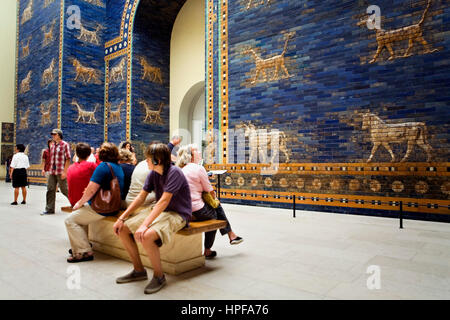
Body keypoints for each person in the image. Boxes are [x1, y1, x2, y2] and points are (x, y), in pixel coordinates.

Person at [113, 143, 192, 294]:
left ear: (157, 160)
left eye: (149, 159)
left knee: (147, 235)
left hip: (178, 213)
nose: (146, 161)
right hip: (160, 210)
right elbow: (141, 197)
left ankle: (159, 276)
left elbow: (164, 201)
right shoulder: (153, 173)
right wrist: (122, 218)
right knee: (122, 229)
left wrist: (144, 225)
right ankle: (138, 270)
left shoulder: (174, 172)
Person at [176, 144, 243, 259]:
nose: (199, 152)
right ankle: (212, 247)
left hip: (184, 209)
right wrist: (214, 198)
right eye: (196, 150)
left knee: (215, 207)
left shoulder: (181, 169)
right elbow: (210, 191)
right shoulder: (198, 168)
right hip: (197, 210)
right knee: (215, 213)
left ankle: (231, 235)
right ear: (191, 156)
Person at [65, 142, 125, 263]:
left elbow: (91, 189)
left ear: (103, 154)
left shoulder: (103, 167)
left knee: (70, 220)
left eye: (98, 152)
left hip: (103, 206)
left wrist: (79, 203)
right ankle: (81, 246)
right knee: (80, 217)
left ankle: (83, 251)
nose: (96, 154)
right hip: (113, 204)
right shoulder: (117, 166)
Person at [42, 129, 71, 215]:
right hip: (52, 171)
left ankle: (76, 204)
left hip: (60, 170)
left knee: (64, 189)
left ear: (59, 135)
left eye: (54, 134)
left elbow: (68, 159)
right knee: (50, 189)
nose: (53, 136)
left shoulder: (65, 145)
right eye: (52, 134)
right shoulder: (52, 145)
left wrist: (65, 172)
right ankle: (49, 209)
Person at [66, 143, 98, 207]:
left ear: (76, 154)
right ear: (89, 155)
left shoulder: (70, 168)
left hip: (72, 201)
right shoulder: (91, 165)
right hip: (85, 202)